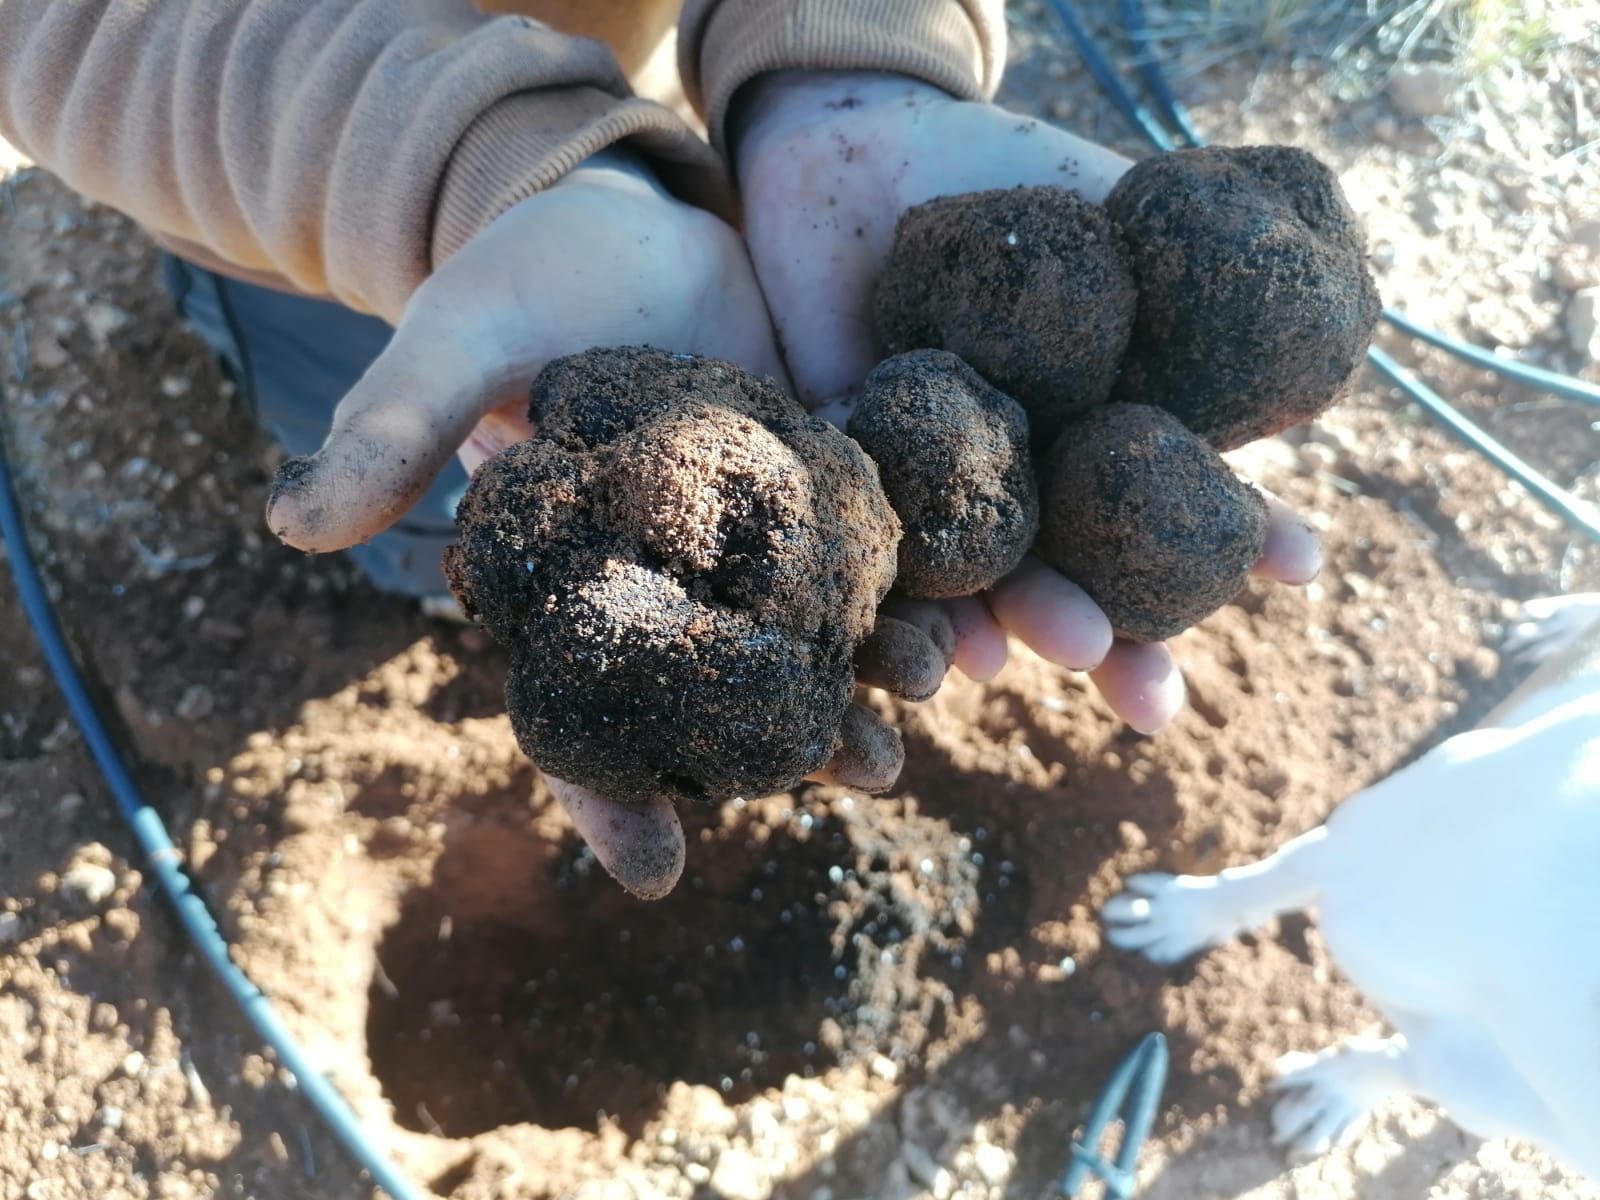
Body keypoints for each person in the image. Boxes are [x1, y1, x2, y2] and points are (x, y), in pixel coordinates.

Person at [0, 1, 1320, 897]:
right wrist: (462, 164)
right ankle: (414, 559)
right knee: (400, 446)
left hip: (603, 142)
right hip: (272, 148)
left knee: (477, 463)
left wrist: (838, 62)